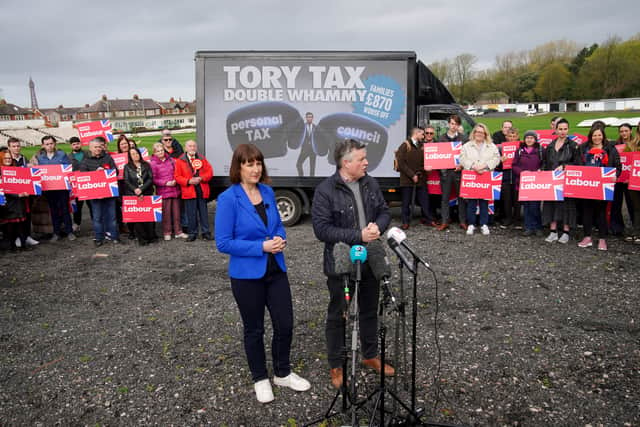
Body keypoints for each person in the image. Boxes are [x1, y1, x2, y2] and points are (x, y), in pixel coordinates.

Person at [215, 144, 310, 403]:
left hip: (275, 269)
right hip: (246, 276)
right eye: (249, 164)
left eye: (258, 163)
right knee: (254, 329)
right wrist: (261, 246)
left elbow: (278, 225)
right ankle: (260, 378)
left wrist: (280, 238)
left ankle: (282, 372)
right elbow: (223, 243)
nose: (255, 169)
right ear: (239, 167)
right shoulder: (228, 199)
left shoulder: (267, 192)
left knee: (285, 324)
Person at [311, 138, 394, 390]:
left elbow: (384, 210)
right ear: (346, 163)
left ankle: (370, 355)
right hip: (341, 263)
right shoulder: (326, 190)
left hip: (371, 258)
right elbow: (322, 230)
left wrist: (378, 226)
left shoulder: (370, 183)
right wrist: (358, 235)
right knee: (339, 313)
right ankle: (336, 364)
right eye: (361, 159)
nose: (367, 162)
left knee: (370, 309)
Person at [577, 127, 621, 251]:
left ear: (603, 136)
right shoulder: (583, 148)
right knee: (587, 211)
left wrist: (615, 175)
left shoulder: (610, 149)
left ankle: (602, 239)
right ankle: (587, 237)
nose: (597, 138)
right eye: (594, 135)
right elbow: (578, 164)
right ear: (590, 136)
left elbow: (618, 166)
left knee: (601, 212)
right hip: (587, 184)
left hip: (603, 185)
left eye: (599, 135)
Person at [541, 118, 582, 244]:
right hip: (552, 180)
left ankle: (565, 232)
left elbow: (578, 163)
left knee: (566, 206)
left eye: (565, 129)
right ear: (556, 130)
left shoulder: (573, 146)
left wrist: (565, 166)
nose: (563, 131)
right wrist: (542, 171)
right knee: (551, 205)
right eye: (560, 129)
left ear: (568, 130)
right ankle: (553, 231)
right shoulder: (550, 145)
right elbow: (545, 162)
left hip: (566, 181)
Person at [459, 123, 500, 235]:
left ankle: (484, 224)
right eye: (477, 132)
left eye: (481, 132)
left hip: (485, 175)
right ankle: (471, 224)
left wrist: (485, 166)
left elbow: (496, 158)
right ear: (474, 133)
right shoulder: (467, 145)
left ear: (485, 134)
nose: (479, 134)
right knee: (471, 202)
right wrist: (473, 166)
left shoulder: (491, 146)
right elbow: (462, 158)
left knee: (484, 202)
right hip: (472, 176)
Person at [79, 137, 120, 246]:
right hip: (95, 195)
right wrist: (95, 173)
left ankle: (114, 236)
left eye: (99, 147)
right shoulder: (85, 160)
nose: (98, 149)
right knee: (97, 218)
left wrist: (106, 171)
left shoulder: (108, 158)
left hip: (109, 192)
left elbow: (115, 172)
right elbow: (83, 177)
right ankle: (98, 238)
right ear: (90, 148)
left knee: (112, 216)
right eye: (95, 147)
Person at [396, 127, 438, 229]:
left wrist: (425, 168)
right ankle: (405, 222)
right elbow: (401, 163)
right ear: (416, 133)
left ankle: (429, 219)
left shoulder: (421, 146)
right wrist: (412, 175)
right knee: (406, 202)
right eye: (422, 134)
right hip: (407, 180)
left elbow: (422, 162)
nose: (424, 136)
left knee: (424, 200)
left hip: (420, 179)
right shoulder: (405, 145)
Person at [35, 136, 76, 241]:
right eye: (47, 144)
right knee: (53, 211)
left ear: (55, 144)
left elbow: (68, 169)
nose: (49, 146)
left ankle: (69, 232)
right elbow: (39, 173)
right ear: (43, 145)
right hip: (49, 189)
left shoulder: (62, 155)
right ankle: (56, 232)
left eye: (51, 143)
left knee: (65, 210)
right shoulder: (40, 158)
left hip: (62, 188)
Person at [175, 140, 213, 241]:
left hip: (201, 188)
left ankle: (206, 232)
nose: (192, 148)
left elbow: (210, 172)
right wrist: (188, 181)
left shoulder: (202, 158)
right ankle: (192, 233)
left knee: (204, 213)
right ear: (185, 148)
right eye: (190, 146)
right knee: (191, 213)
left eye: (194, 146)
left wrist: (201, 178)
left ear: (196, 148)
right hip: (189, 190)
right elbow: (177, 177)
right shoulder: (180, 161)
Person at [6, 137, 39, 247]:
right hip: (12, 195)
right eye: (14, 146)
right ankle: (16, 238)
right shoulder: (7, 159)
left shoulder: (24, 158)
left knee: (27, 214)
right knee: (13, 217)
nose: (16, 148)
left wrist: (31, 167)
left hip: (25, 192)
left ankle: (27, 235)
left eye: (18, 146)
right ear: (9, 147)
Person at [150, 143, 187, 240]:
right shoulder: (153, 163)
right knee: (166, 214)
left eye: (162, 150)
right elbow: (153, 179)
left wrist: (176, 180)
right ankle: (167, 232)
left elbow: (177, 172)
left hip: (175, 190)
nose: (160, 152)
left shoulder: (171, 160)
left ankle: (178, 231)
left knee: (177, 213)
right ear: (154, 152)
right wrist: (166, 183)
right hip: (164, 191)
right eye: (158, 151)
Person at [437, 114, 468, 231]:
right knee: (445, 198)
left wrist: (462, 165)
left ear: (459, 125)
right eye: (451, 123)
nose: (453, 126)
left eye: (456, 124)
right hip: (445, 173)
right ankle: (445, 221)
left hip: (459, 172)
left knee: (461, 198)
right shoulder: (441, 138)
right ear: (448, 124)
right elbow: (438, 157)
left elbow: (467, 156)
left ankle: (462, 221)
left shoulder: (464, 138)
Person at [123, 147, 157, 245]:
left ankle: (151, 236)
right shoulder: (127, 167)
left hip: (147, 193)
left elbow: (150, 179)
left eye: (136, 153)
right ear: (130, 156)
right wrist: (135, 190)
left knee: (149, 217)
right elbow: (126, 180)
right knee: (138, 219)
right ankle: (142, 239)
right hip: (133, 194)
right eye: (132, 154)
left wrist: (141, 189)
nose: (135, 155)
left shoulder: (146, 165)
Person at [512, 131, 544, 236]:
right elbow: (514, 165)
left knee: (535, 206)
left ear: (535, 139)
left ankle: (538, 227)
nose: (529, 140)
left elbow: (544, 163)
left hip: (536, 183)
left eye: (531, 138)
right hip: (523, 182)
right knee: (526, 206)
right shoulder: (520, 151)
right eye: (527, 138)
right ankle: (528, 227)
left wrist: (540, 170)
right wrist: (521, 172)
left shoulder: (540, 150)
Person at [0, 149, 32, 252]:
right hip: (7, 203)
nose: (8, 160)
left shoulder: (17, 170)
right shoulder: (0, 171)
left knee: (21, 224)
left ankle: (23, 244)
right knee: (10, 226)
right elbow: (3, 188)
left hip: (19, 202)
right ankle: (11, 246)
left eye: (9, 158)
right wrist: (17, 194)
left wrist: (27, 191)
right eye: (5, 158)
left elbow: (24, 182)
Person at [610, 123, 635, 236]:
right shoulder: (615, 145)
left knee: (632, 204)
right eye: (621, 131)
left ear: (631, 131)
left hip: (632, 180)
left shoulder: (636, 144)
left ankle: (635, 227)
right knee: (616, 203)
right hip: (618, 179)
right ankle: (617, 227)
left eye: (626, 131)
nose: (624, 133)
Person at [496, 127, 520, 228]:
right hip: (505, 177)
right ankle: (507, 219)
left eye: (514, 136)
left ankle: (517, 221)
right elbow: (495, 164)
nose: (512, 138)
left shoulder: (521, 148)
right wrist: (500, 160)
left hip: (517, 178)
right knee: (506, 200)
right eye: (510, 136)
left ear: (517, 137)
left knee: (517, 200)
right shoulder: (501, 148)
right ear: (506, 136)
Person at [67, 136, 91, 231]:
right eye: (74, 144)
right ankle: (77, 223)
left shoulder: (88, 153)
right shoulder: (68, 157)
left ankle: (96, 222)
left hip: (89, 183)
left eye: (77, 143)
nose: (76, 146)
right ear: (71, 146)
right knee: (78, 206)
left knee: (92, 205)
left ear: (80, 144)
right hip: (76, 186)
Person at [627, 124, 640, 244]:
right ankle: (636, 232)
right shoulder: (631, 145)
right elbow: (625, 162)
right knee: (636, 208)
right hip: (634, 181)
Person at [296, 112, 317, 177]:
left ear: (312, 118)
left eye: (310, 117)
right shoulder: (302, 127)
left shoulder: (315, 127)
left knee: (312, 167)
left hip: (313, 150)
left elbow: (318, 138)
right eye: (308, 117)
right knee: (298, 164)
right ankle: (301, 178)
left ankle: (312, 180)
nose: (309, 118)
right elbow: (298, 136)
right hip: (304, 149)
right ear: (306, 118)